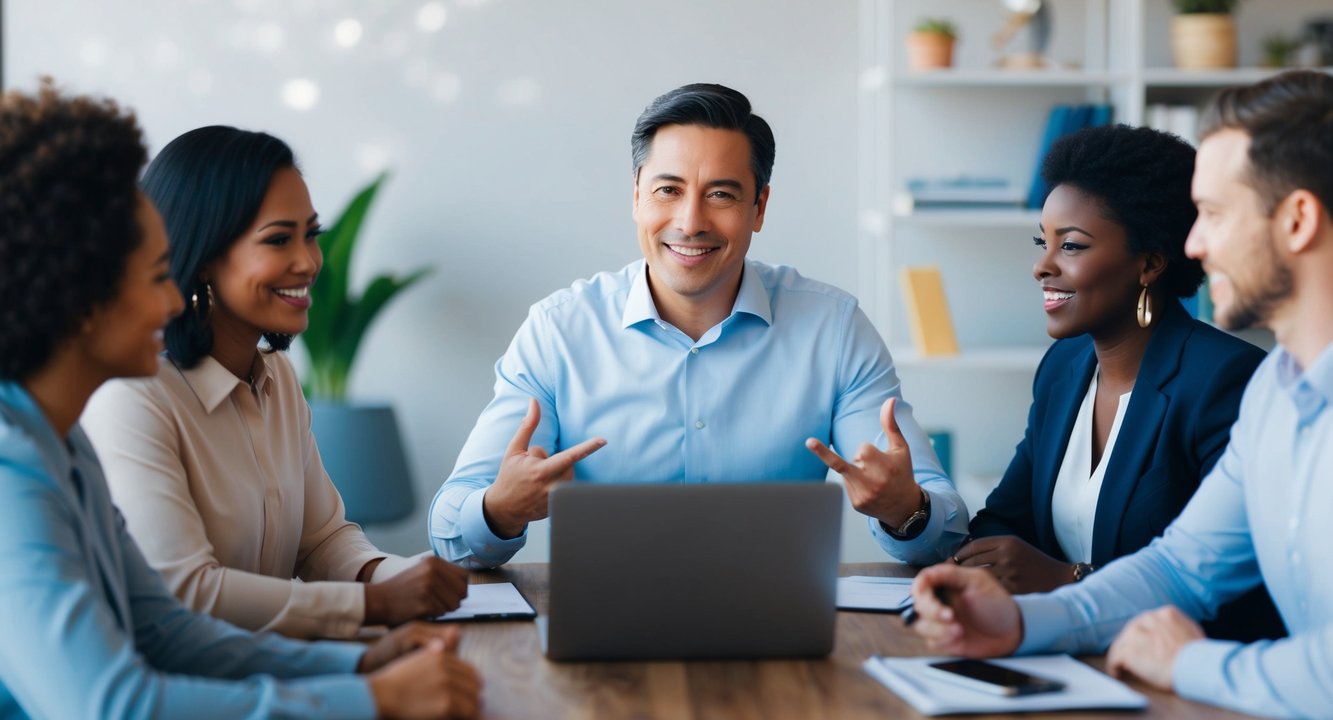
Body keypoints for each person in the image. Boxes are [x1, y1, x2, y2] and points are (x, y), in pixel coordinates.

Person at [0, 82, 479, 718]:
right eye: (153, 278)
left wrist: (360, 663)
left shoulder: (62, 442)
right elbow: (113, 703)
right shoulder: (15, 470)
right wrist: (367, 699)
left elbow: (166, 631)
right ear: (81, 293)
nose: (171, 302)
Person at [910, 69, 1333, 718]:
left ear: (1298, 220)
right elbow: (1180, 568)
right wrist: (1020, 624)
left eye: (1214, 215)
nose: (1192, 243)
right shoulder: (1276, 396)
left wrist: (1184, 661)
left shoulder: (1231, 380)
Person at [430, 83, 968, 568]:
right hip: (602, 631)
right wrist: (499, 510)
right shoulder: (558, 332)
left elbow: (945, 527)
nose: (690, 222)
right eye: (668, 190)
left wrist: (907, 509)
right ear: (636, 196)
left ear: (759, 207)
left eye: (721, 194)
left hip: (779, 627)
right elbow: (450, 529)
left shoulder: (835, 329)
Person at [81, 125, 469, 640]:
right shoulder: (133, 395)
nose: (308, 262)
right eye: (279, 240)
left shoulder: (278, 379)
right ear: (203, 257)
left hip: (272, 671)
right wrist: (372, 603)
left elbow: (322, 540)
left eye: (312, 234)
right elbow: (185, 591)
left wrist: (402, 576)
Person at [959, 124, 1282, 642]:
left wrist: (1068, 581)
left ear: (1150, 263)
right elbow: (1002, 522)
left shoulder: (1225, 381)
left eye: (1073, 246)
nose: (1042, 266)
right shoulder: (1063, 369)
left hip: (1173, 679)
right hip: (1052, 657)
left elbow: (1243, 593)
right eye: (1044, 242)